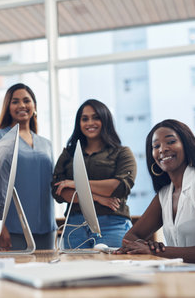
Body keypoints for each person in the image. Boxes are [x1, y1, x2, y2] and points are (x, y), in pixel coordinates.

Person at [116, 119, 195, 263]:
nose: (162, 149)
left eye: (171, 142)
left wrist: (157, 251)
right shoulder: (165, 194)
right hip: (178, 276)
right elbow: (129, 238)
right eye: (156, 146)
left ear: (186, 145)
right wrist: (150, 246)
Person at [52, 99, 136, 249]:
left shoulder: (122, 153)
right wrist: (98, 197)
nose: (90, 122)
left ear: (105, 120)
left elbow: (120, 187)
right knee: (77, 271)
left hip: (112, 224)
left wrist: (75, 184)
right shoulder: (69, 154)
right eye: (85, 119)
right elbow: (58, 191)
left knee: (113, 270)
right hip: (75, 225)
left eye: (96, 117)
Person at [0, 83, 57, 250]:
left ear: (34, 106)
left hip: (46, 228)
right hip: (11, 229)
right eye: (15, 101)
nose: (22, 105)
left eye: (26, 100)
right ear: (8, 107)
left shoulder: (46, 144)